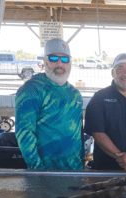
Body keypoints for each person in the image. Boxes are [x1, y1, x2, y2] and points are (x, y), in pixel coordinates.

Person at [15, 38, 84, 170]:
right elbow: (24, 132)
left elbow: (78, 131)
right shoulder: (33, 89)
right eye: (53, 58)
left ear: (69, 63)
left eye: (64, 59)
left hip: (74, 169)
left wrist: (81, 161)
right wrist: (37, 169)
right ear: (45, 61)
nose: (59, 63)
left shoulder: (74, 93)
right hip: (46, 171)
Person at [84, 53, 126, 171]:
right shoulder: (99, 98)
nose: (125, 74)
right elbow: (98, 133)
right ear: (112, 73)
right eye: (120, 69)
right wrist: (121, 158)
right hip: (105, 168)